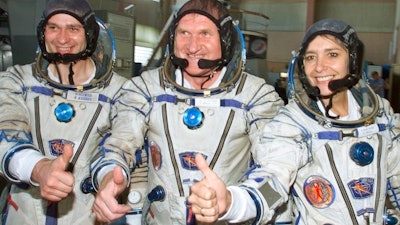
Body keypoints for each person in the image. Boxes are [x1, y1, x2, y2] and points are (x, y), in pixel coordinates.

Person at [187, 18, 400, 225]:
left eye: (332, 54)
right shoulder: (292, 125)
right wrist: (233, 203)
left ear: (352, 60)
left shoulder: (380, 115)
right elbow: (273, 184)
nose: (319, 67)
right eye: (310, 58)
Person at [90, 0, 286, 224]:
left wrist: (234, 203)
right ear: (173, 39)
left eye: (205, 33)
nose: (192, 46)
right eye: (184, 33)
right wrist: (109, 177)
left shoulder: (257, 96)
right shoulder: (145, 88)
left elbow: (277, 172)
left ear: (226, 40)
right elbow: (117, 144)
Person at [0, 0, 134, 224]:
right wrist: (39, 169)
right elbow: (7, 134)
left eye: (73, 29)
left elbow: (118, 146)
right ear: (43, 33)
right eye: (53, 28)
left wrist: (109, 179)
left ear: (90, 34)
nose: (62, 39)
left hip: (86, 214)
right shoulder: (15, 81)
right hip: (23, 214)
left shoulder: (121, 92)